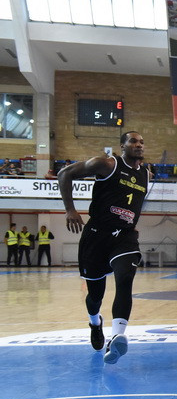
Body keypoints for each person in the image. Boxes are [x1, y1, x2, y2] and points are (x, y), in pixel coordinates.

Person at [58, 131, 150, 362]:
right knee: (95, 296)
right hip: (97, 236)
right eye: (133, 141)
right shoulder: (106, 164)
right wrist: (70, 210)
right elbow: (64, 173)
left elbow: (133, 204)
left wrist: (130, 221)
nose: (139, 145)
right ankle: (95, 322)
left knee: (125, 279)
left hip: (125, 237)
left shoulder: (146, 174)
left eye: (141, 142)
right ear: (122, 146)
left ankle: (117, 336)